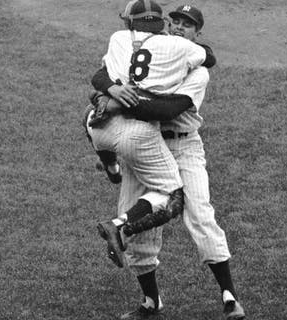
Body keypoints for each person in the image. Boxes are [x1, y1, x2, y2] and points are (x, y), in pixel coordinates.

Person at [92, 5, 246, 320]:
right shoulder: (154, 52)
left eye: (187, 25)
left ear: (197, 35)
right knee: (135, 227)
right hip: (145, 144)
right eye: (174, 21)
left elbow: (169, 110)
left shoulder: (198, 71)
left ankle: (229, 296)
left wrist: (120, 104)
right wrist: (106, 92)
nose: (178, 27)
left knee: (201, 216)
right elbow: (102, 76)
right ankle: (151, 302)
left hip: (183, 146)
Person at [86, 0, 213, 270]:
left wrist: (113, 93)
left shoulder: (119, 38)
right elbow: (208, 58)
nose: (178, 27)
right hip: (139, 134)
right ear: (163, 24)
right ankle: (119, 225)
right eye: (175, 22)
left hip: (99, 128)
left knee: (89, 112)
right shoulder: (177, 47)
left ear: (130, 22)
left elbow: (98, 77)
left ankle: (109, 165)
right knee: (172, 196)